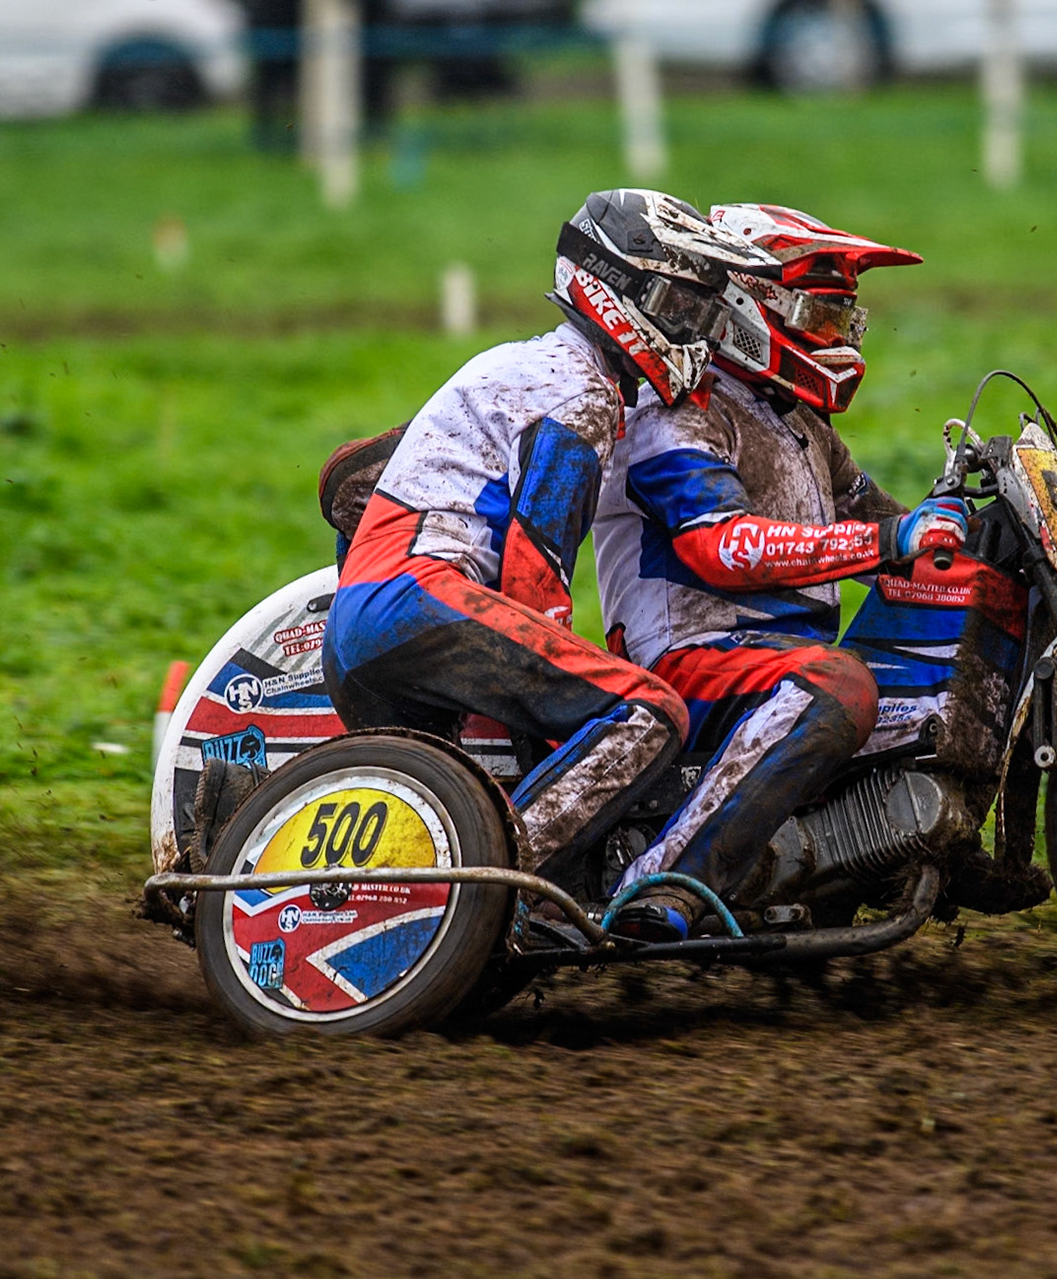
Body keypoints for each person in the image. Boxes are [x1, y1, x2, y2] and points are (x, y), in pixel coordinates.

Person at [323, 189, 782, 875]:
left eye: (699, 312)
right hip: (418, 597)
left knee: (498, 770)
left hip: (376, 611)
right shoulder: (581, 391)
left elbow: (350, 480)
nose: (690, 328)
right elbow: (536, 580)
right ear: (615, 289)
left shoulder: (526, 364)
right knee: (646, 709)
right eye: (678, 307)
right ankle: (514, 885)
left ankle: (457, 902)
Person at [592, 203, 966, 941]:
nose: (838, 337)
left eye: (844, 322)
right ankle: (669, 880)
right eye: (820, 316)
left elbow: (883, 525)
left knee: (960, 614)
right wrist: (893, 538)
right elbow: (723, 546)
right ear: (746, 309)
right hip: (690, 666)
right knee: (840, 683)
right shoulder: (677, 413)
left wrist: (975, 527)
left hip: (778, 665)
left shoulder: (803, 426)